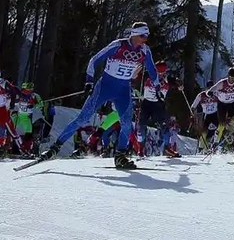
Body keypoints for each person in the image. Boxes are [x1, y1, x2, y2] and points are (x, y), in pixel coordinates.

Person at [40, 22, 161, 169]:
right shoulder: (118, 45)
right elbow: (94, 60)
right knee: (83, 118)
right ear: (134, 34)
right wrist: (89, 81)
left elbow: (152, 70)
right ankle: (55, 147)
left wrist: (157, 87)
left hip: (123, 90)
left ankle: (120, 155)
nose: (145, 39)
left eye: (147, 36)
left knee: (126, 123)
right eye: (142, 36)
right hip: (104, 87)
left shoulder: (145, 50)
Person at [206, 66, 234, 151]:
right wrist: (210, 93)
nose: (233, 80)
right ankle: (215, 143)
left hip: (232, 104)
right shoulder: (222, 83)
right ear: (228, 76)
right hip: (222, 105)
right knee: (222, 124)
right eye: (231, 78)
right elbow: (211, 90)